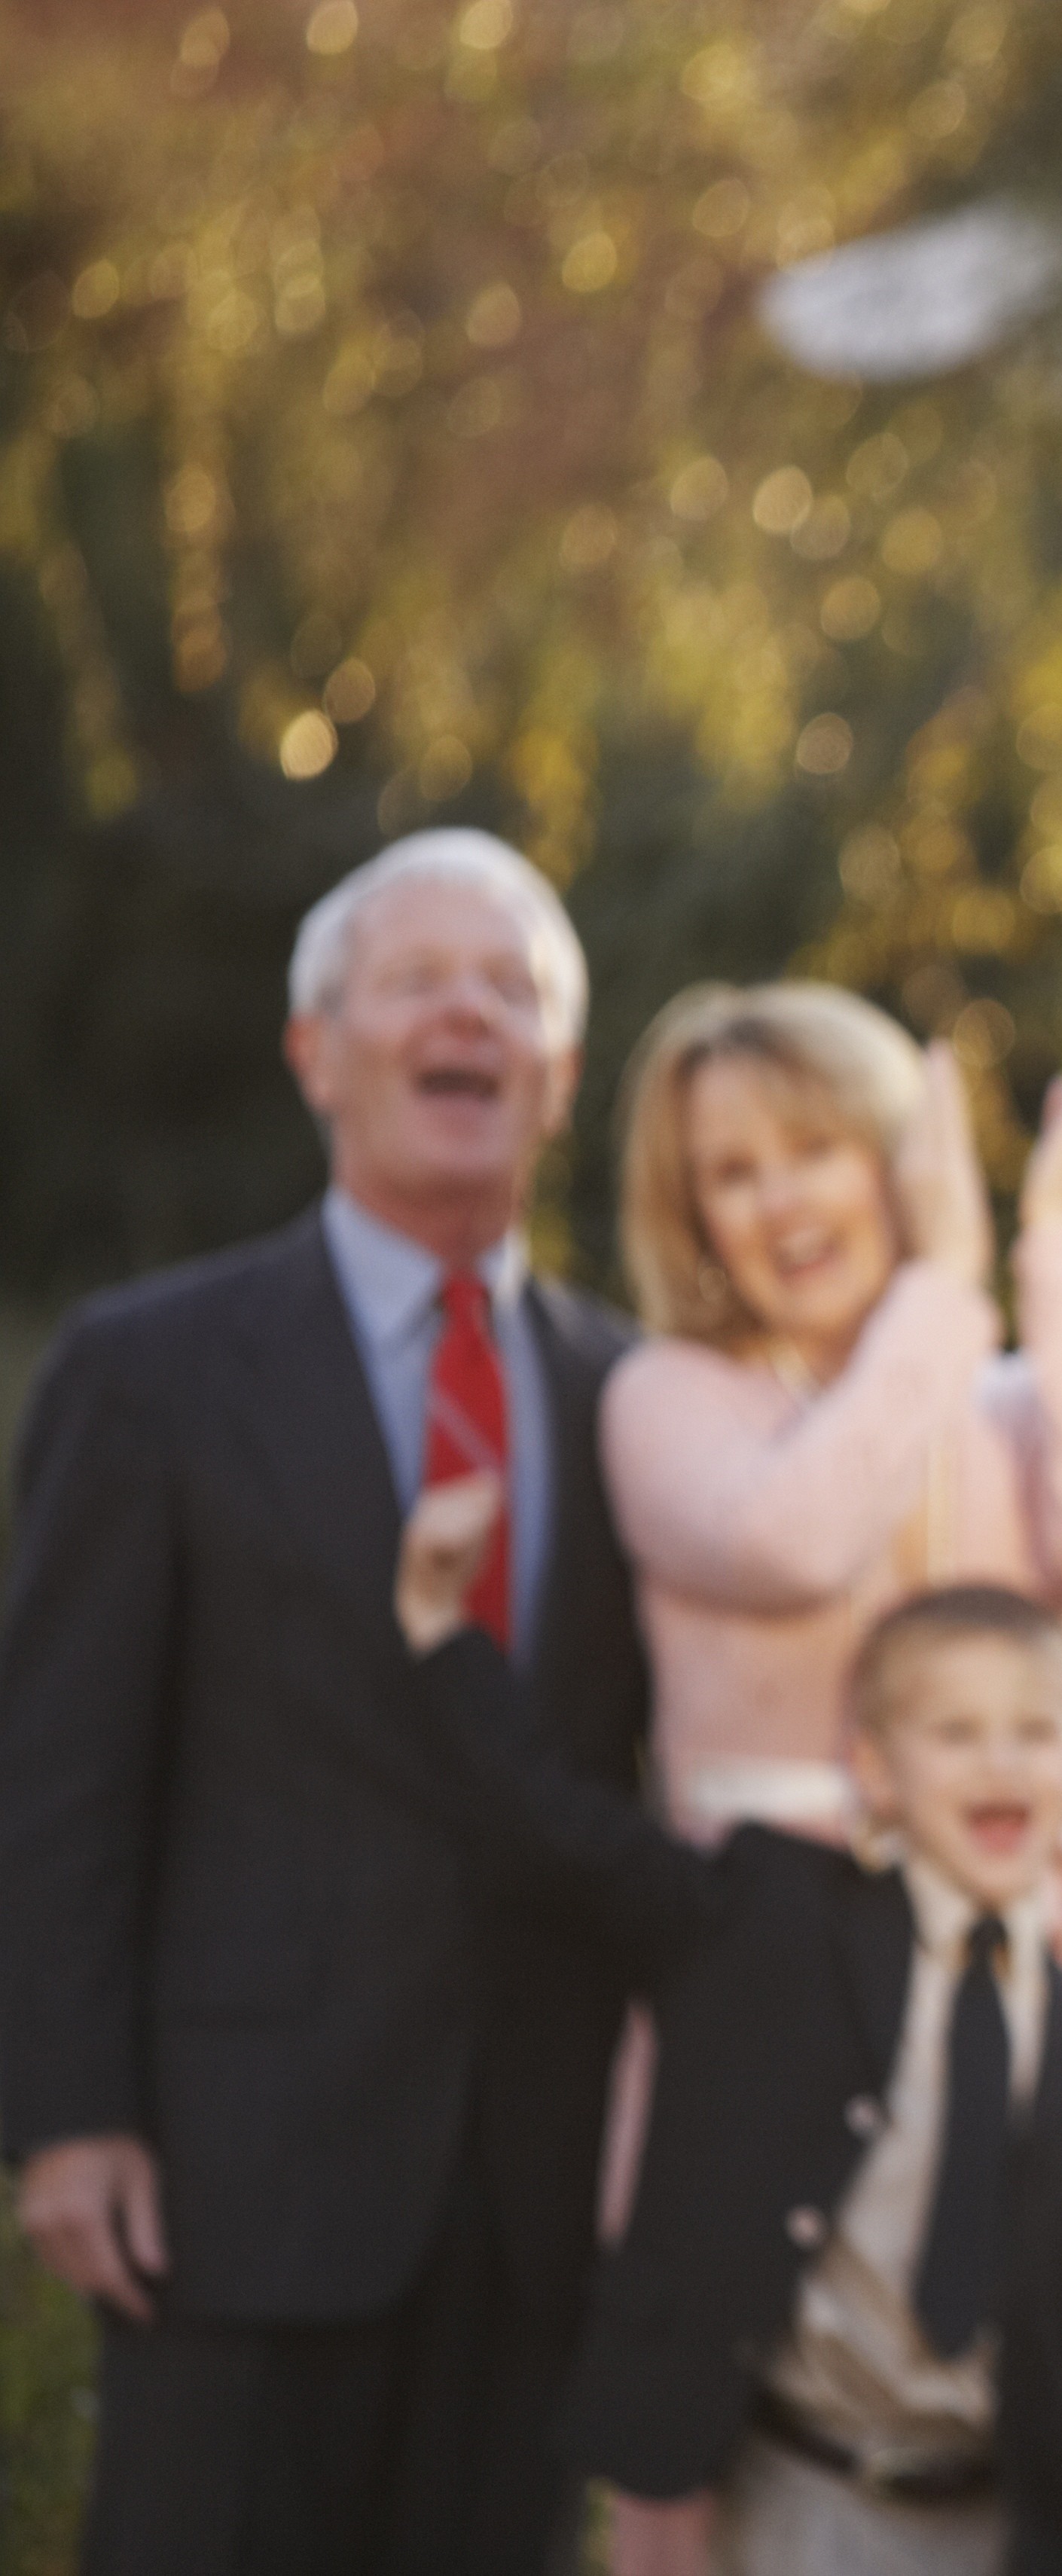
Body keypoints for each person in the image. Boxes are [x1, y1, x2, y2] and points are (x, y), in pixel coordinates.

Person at [0, 830, 654, 2571]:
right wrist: (66, 2114)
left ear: (560, 1076)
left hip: (535, 2204)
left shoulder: (634, 1403)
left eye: (510, 988)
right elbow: (57, 1772)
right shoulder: (146, 1372)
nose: (468, 1012)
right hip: (231, 2186)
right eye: (418, 977)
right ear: (318, 1049)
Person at [385, 1509, 1062, 2576]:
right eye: (953, 1733)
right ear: (874, 1768)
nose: (998, 1761)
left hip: (1007, 2529)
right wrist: (438, 1633)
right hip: (794, 2508)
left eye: (1033, 1731)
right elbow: (559, 1841)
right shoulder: (768, 1922)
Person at [604, 978, 1062, 1941]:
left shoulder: (1009, 1400)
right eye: (733, 1174)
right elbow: (796, 1545)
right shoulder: (663, 1398)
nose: (781, 1204)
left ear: (905, 1165)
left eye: (817, 1151)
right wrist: (944, 1281)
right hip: (769, 1988)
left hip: (1010, 1980)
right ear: (695, 1217)